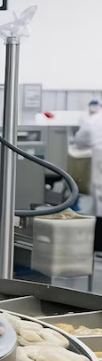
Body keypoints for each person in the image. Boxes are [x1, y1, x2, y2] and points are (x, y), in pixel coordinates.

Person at [74, 100, 102, 251]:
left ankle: (97, 244)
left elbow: (80, 139)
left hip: (99, 157)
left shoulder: (91, 118)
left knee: (99, 198)